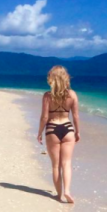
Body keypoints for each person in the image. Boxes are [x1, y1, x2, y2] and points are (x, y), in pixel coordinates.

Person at [37, 65, 80, 203]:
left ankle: (59, 195)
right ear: (65, 78)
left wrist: (39, 132)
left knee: (56, 165)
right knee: (66, 163)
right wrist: (77, 131)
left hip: (52, 128)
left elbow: (44, 117)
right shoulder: (72, 94)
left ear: (52, 79)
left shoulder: (47, 96)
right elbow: (76, 116)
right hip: (68, 129)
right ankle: (67, 191)